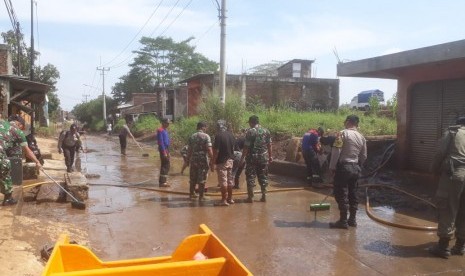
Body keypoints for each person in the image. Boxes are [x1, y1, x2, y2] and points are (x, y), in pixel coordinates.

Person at [429, 116, 465, 258]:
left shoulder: (453, 132)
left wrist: (433, 170)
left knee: (448, 208)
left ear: (459, 123)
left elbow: (439, 154)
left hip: (454, 175)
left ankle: (443, 247)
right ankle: (460, 246)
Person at [328, 115, 367, 229]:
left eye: (345, 122)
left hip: (344, 167)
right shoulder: (361, 137)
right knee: (353, 193)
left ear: (348, 122)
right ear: (357, 124)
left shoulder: (342, 133)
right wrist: (358, 166)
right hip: (355, 167)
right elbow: (364, 156)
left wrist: (332, 167)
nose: (344, 123)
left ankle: (343, 221)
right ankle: (352, 220)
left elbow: (336, 151)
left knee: (341, 193)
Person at [0, 117, 43, 206]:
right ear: (19, 124)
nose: (21, 130)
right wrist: (37, 162)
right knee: (5, 166)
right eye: (22, 128)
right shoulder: (17, 131)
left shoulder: (2, 123)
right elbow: (27, 152)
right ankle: (8, 199)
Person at [240, 115, 273, 203]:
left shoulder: (250, 132)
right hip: (263, 157)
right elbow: (269, 145)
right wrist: (270, 156)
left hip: (252, 158)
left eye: (249, 123)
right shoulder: (266, 131)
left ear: (251, 122)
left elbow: (246, 147)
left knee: (250, 176)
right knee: (263, 176)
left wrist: (242, 158)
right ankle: (264, 196)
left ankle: (250, 197)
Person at [210, 120, 236, 206]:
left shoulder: (218, 136)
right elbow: (233, 148)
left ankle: (223, 200)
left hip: (222, 161)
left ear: (218, 126)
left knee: (223, 181)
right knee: (230, 180)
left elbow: (216, 151)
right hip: (230, 160)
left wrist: (213, 162)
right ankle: (230, 199)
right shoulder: (231, 134)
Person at [187, 121, 213, 201]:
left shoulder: (192, 136)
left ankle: (192, 194)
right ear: (203, 127)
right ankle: (201, 196)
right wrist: (212, 158)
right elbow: (209, 149)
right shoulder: (206, 136)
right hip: (202, 160)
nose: (206, 129)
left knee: (193, 177)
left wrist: (188, 159)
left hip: (194, 159)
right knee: (202, 177)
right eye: (206, 127)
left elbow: (190, 150)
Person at [157, 118, 171, 188]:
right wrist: (164, 152)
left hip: (166, 149)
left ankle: (163, 181)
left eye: (169, 123)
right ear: (163, 123)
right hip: (163, 150)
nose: (168, 124)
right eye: (167, 123)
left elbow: (167, 141)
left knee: (166, 165)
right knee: (165, 165)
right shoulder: (160, 130)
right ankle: (162, 182)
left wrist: (168, 152)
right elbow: (161, 142)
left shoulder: (165, 130)